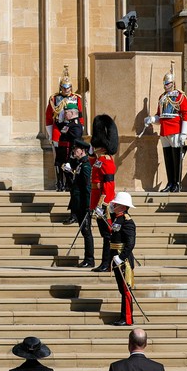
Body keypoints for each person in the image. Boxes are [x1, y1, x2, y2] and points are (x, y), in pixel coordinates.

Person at [143, 62, 187, 192]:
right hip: (164, 130)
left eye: (168, 84)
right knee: (168, 157)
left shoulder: (180, 96)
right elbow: (161, 115)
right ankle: (170, 183)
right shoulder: (162, 97)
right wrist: (152, 119)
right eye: (164, 84)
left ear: (173, 83)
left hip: (175, 129)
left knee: (176, 158)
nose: (166, 86)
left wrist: (184, 133)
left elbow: (186, 114)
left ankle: (176, 183)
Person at [95, 192, 137, 326]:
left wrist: (121, 257)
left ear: (123, 207)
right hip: (115, 256)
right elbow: (108, 232)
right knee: (121, 289)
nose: (114, 205)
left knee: (125, 290)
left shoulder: (127, 221)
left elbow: (130, 243)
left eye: (117, 204)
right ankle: (123, 316)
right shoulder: (117, 218)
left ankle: (127, 318)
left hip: (123, 259)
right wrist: (100, 217)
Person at [46, 66, 84, 192]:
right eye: (64, 87)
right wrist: (51, 134)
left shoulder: (76, 98)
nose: (66, 90)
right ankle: (59, 182)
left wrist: (79, 131)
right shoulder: (54, 98)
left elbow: (81, 115)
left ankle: (70, 182)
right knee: (59, 158)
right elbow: (49, 116)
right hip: (59, 130)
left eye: (68, 88)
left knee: (71, 157)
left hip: (72, 131)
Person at [90, 114, 118, 273]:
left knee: (108, 235)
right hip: (96, 201)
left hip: (104, 204)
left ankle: (107, 264)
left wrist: (102, 204)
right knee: (104, 235)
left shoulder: (107, 160)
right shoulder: (100, 159)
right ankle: (105, 263)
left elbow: (108, 185)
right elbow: (91, 164)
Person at [65, 139, 94, 267]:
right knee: (84, 232)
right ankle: (88, 258)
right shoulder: (80, 164)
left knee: (87, 232)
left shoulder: (86, 166)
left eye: (76, 149)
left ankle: (89, 259)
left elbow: (87, 187)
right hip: (79, 203)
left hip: (84, 204)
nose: (74, 151)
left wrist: (88, 205)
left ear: (82, 151)